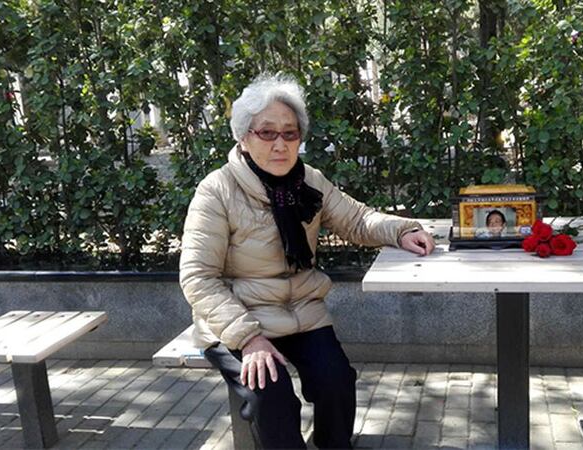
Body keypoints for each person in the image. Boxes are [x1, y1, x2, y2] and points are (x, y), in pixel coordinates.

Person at [179, 74, 435, 449]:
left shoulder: (309, 181)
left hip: (302, 311)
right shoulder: (217, 190)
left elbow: (357, 219)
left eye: (290, 133)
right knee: (274, 398)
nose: (281, 144)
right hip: (238, 320)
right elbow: (198, 278)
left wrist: (401, 230)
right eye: (267, 133)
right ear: (244, 137)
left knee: (337, 382)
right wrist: (249, 339)